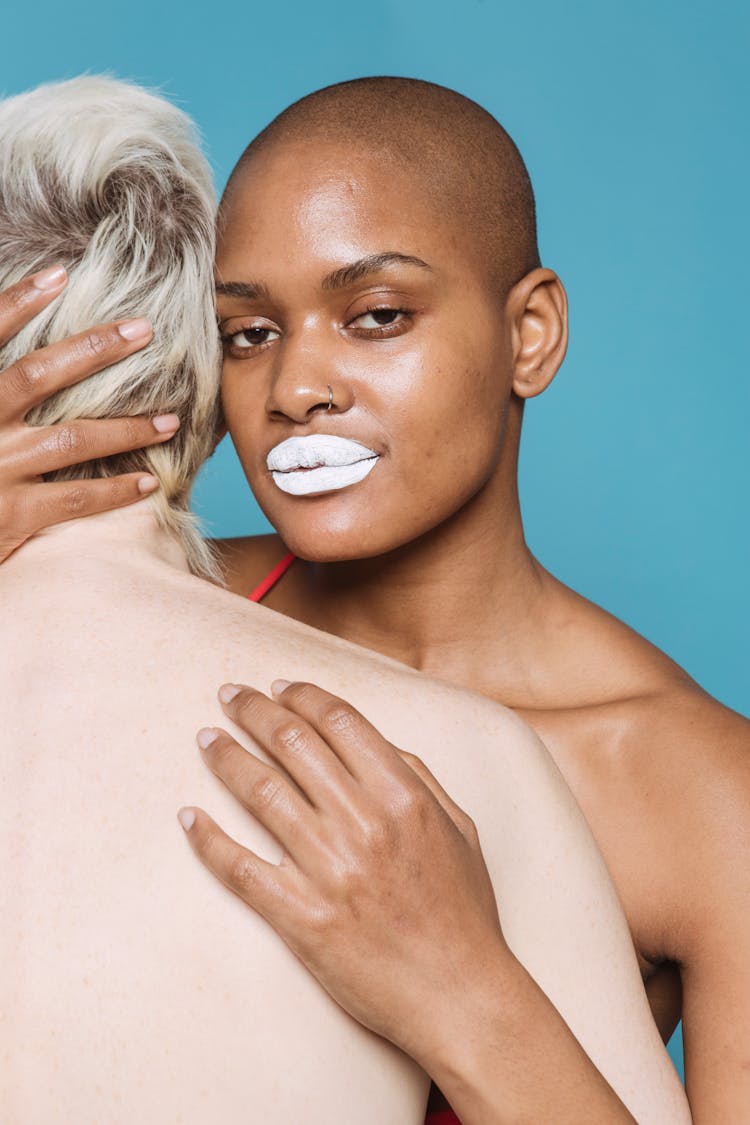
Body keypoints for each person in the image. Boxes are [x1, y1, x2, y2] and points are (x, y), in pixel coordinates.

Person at [0, 77, 689, 1125]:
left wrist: (464, 988)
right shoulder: (144, 596)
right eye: (245, 334)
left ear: (532, 334)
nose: (298, 388)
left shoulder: (695, 796)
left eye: (376, 316)